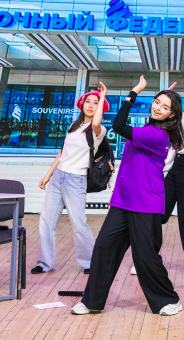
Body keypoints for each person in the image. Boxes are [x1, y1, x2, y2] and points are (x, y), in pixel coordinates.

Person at [71, 76, 184, 316]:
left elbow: (119, 125)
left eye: (165, 107)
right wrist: (167, 97)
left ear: (172, 116)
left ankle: (168, 300)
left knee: (145, 257)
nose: (157, 107)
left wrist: (133, 93)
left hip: (146, 203)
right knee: (104, 248)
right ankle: (92, 301)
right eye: (157, 102)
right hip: (123, 201)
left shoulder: (157, 136)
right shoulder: (147, 129)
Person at [129, 84, 184, 276]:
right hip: (177, 166)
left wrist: (170, 102)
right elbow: (176, 147)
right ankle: (147, 260)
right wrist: (160, 167)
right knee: (157, 212)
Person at [31, 84, 109, 274]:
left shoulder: (99, 130)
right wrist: (48, 175)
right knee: (46, 221)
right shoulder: (74, 126)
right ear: (82, 105)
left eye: (95, 103)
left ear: (101, 107)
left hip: (76, 180)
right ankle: (45, 263)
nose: (90, 105)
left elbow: (96, 123)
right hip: (59, 176)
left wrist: (103, 95)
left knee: (78, 223)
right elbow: (62, 153)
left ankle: (90, 262)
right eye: (88, 102)